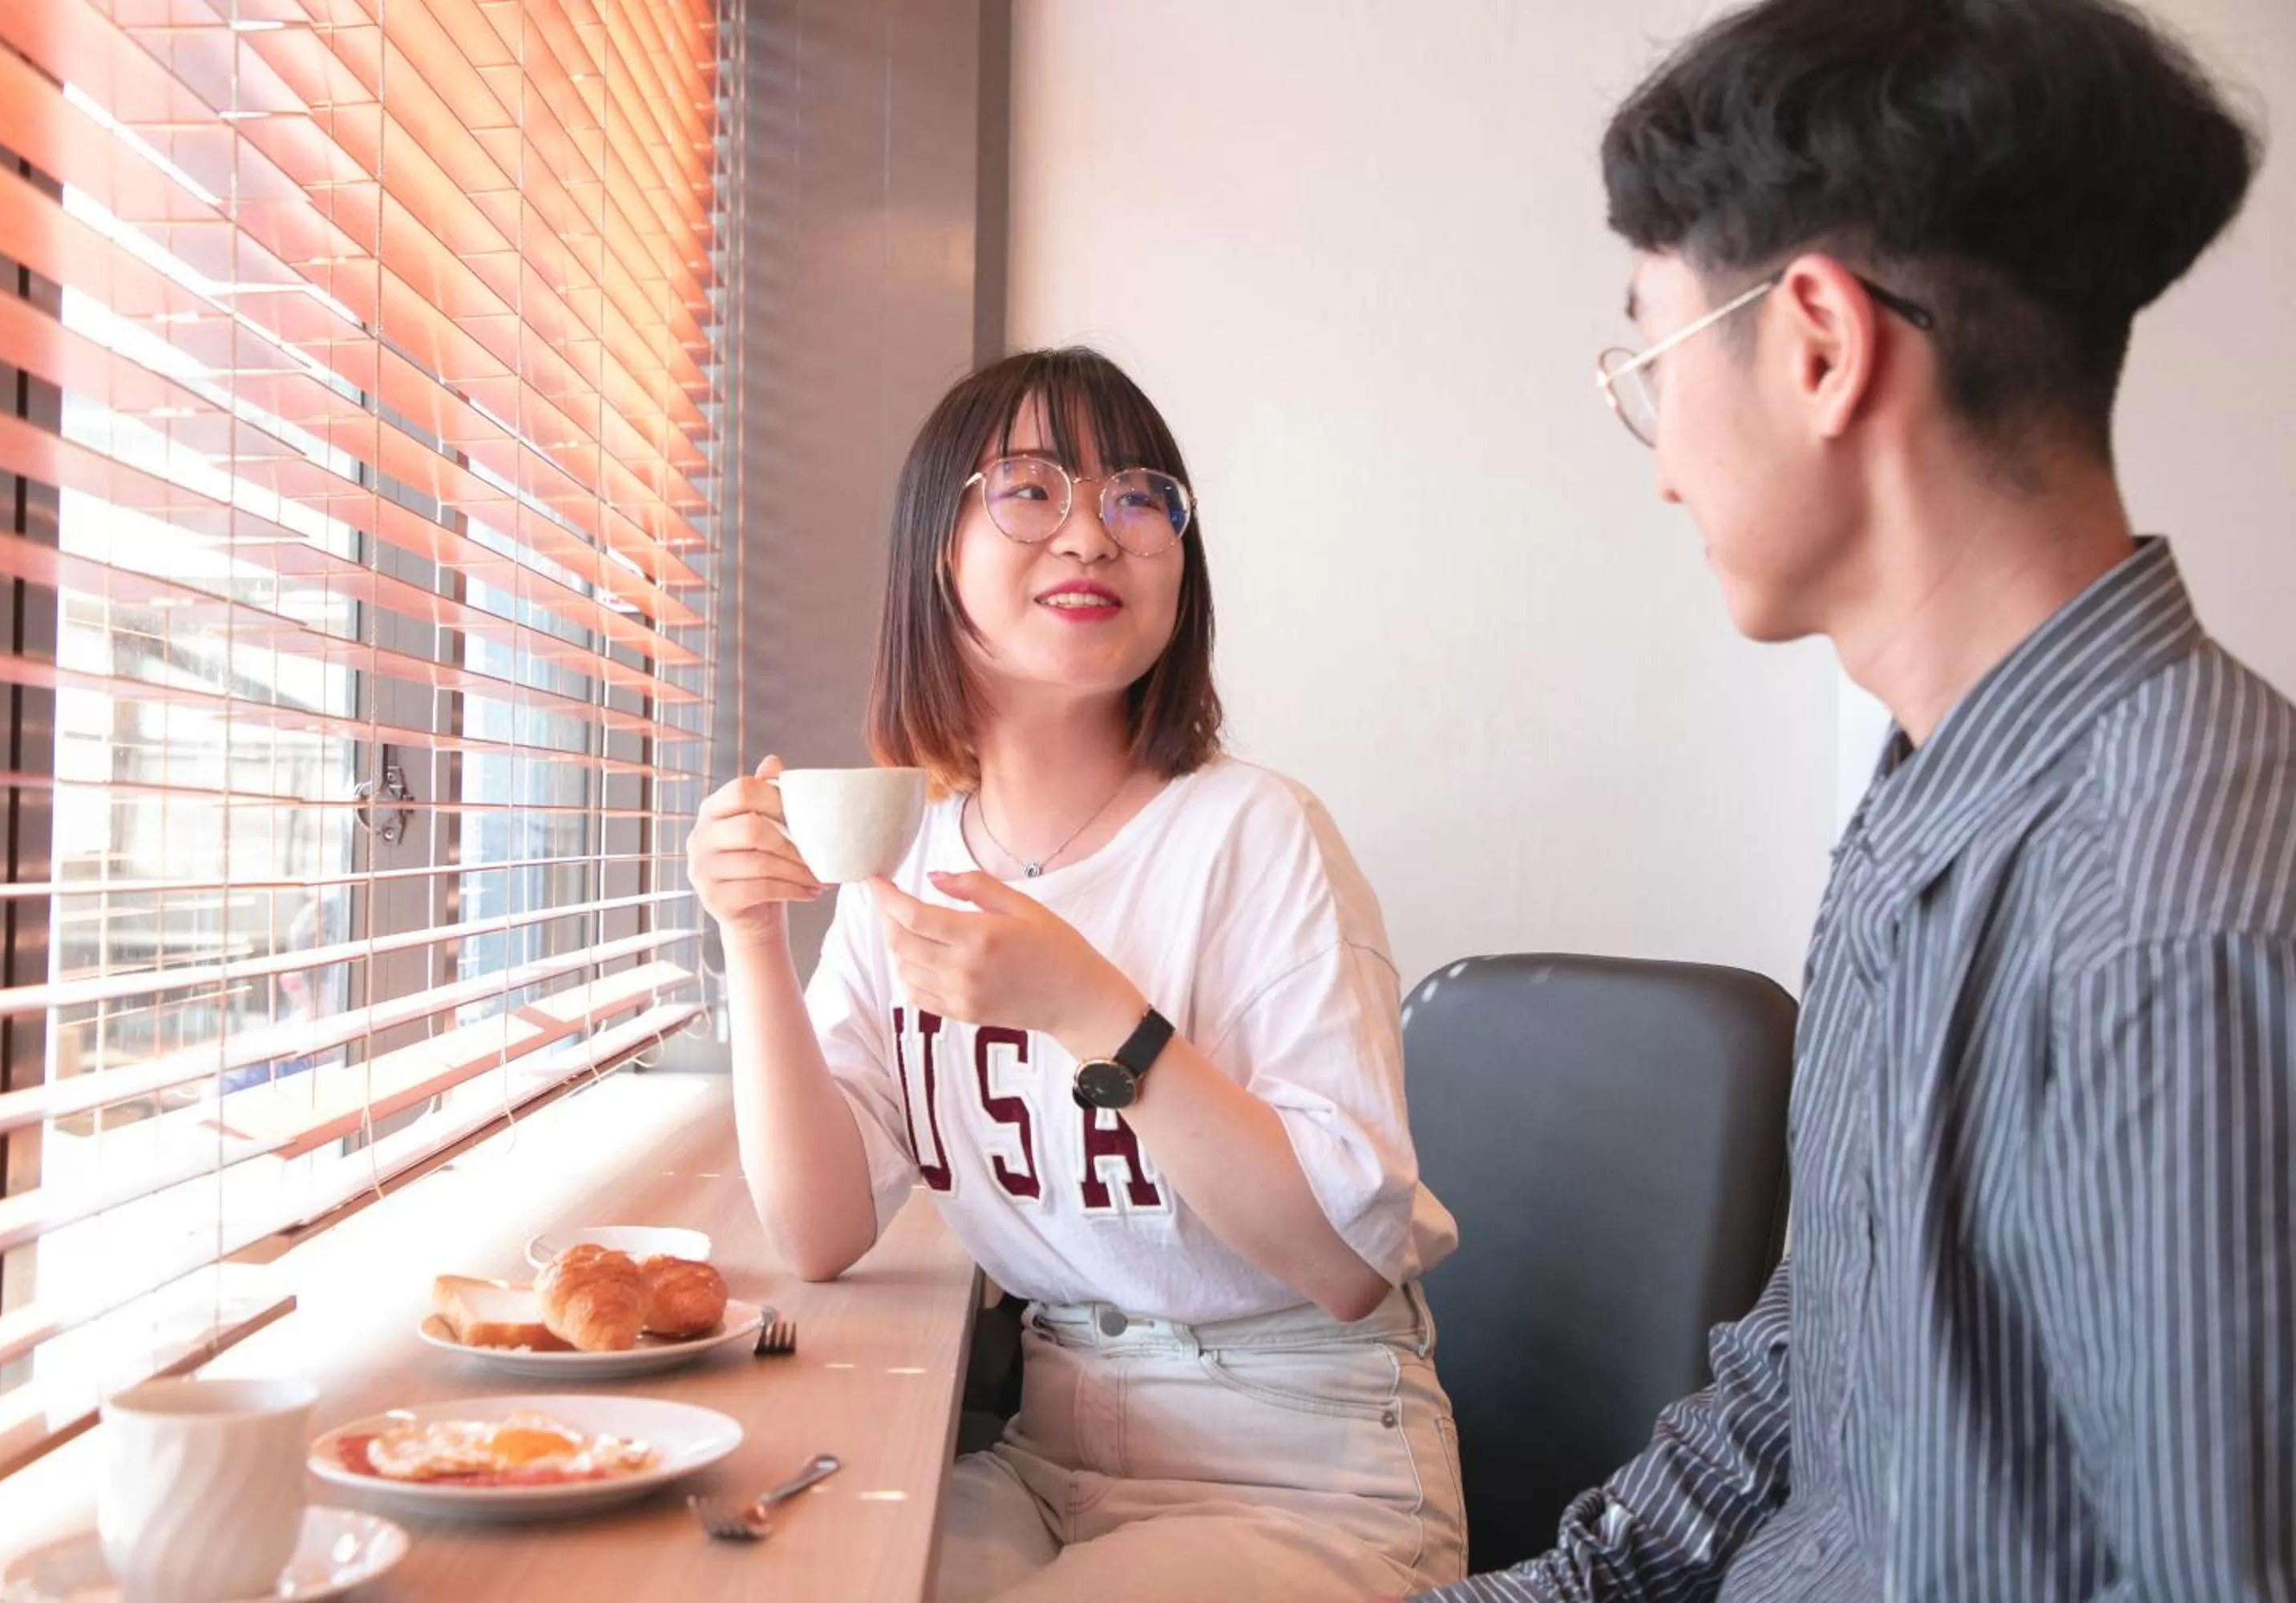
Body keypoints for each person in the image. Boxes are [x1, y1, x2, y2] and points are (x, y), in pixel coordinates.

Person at [1424, 1, 2292, 1598]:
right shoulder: (1928, 801)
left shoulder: (2175, 929)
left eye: (1652, 361)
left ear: (1820, 343)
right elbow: (1812, 1356)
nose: (1662, 458)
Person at [688, 347, 1467, 1601]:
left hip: (1301, 1463)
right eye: (1032, 491)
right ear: (934, 559)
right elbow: (822, 1230)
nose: (1095, 535)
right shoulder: (914, 851)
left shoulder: (1256, 834)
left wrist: (1090, 1011)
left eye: (1139, 498)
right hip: (1054, 1452)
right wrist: (748, 936)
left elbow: (1342, 1264)